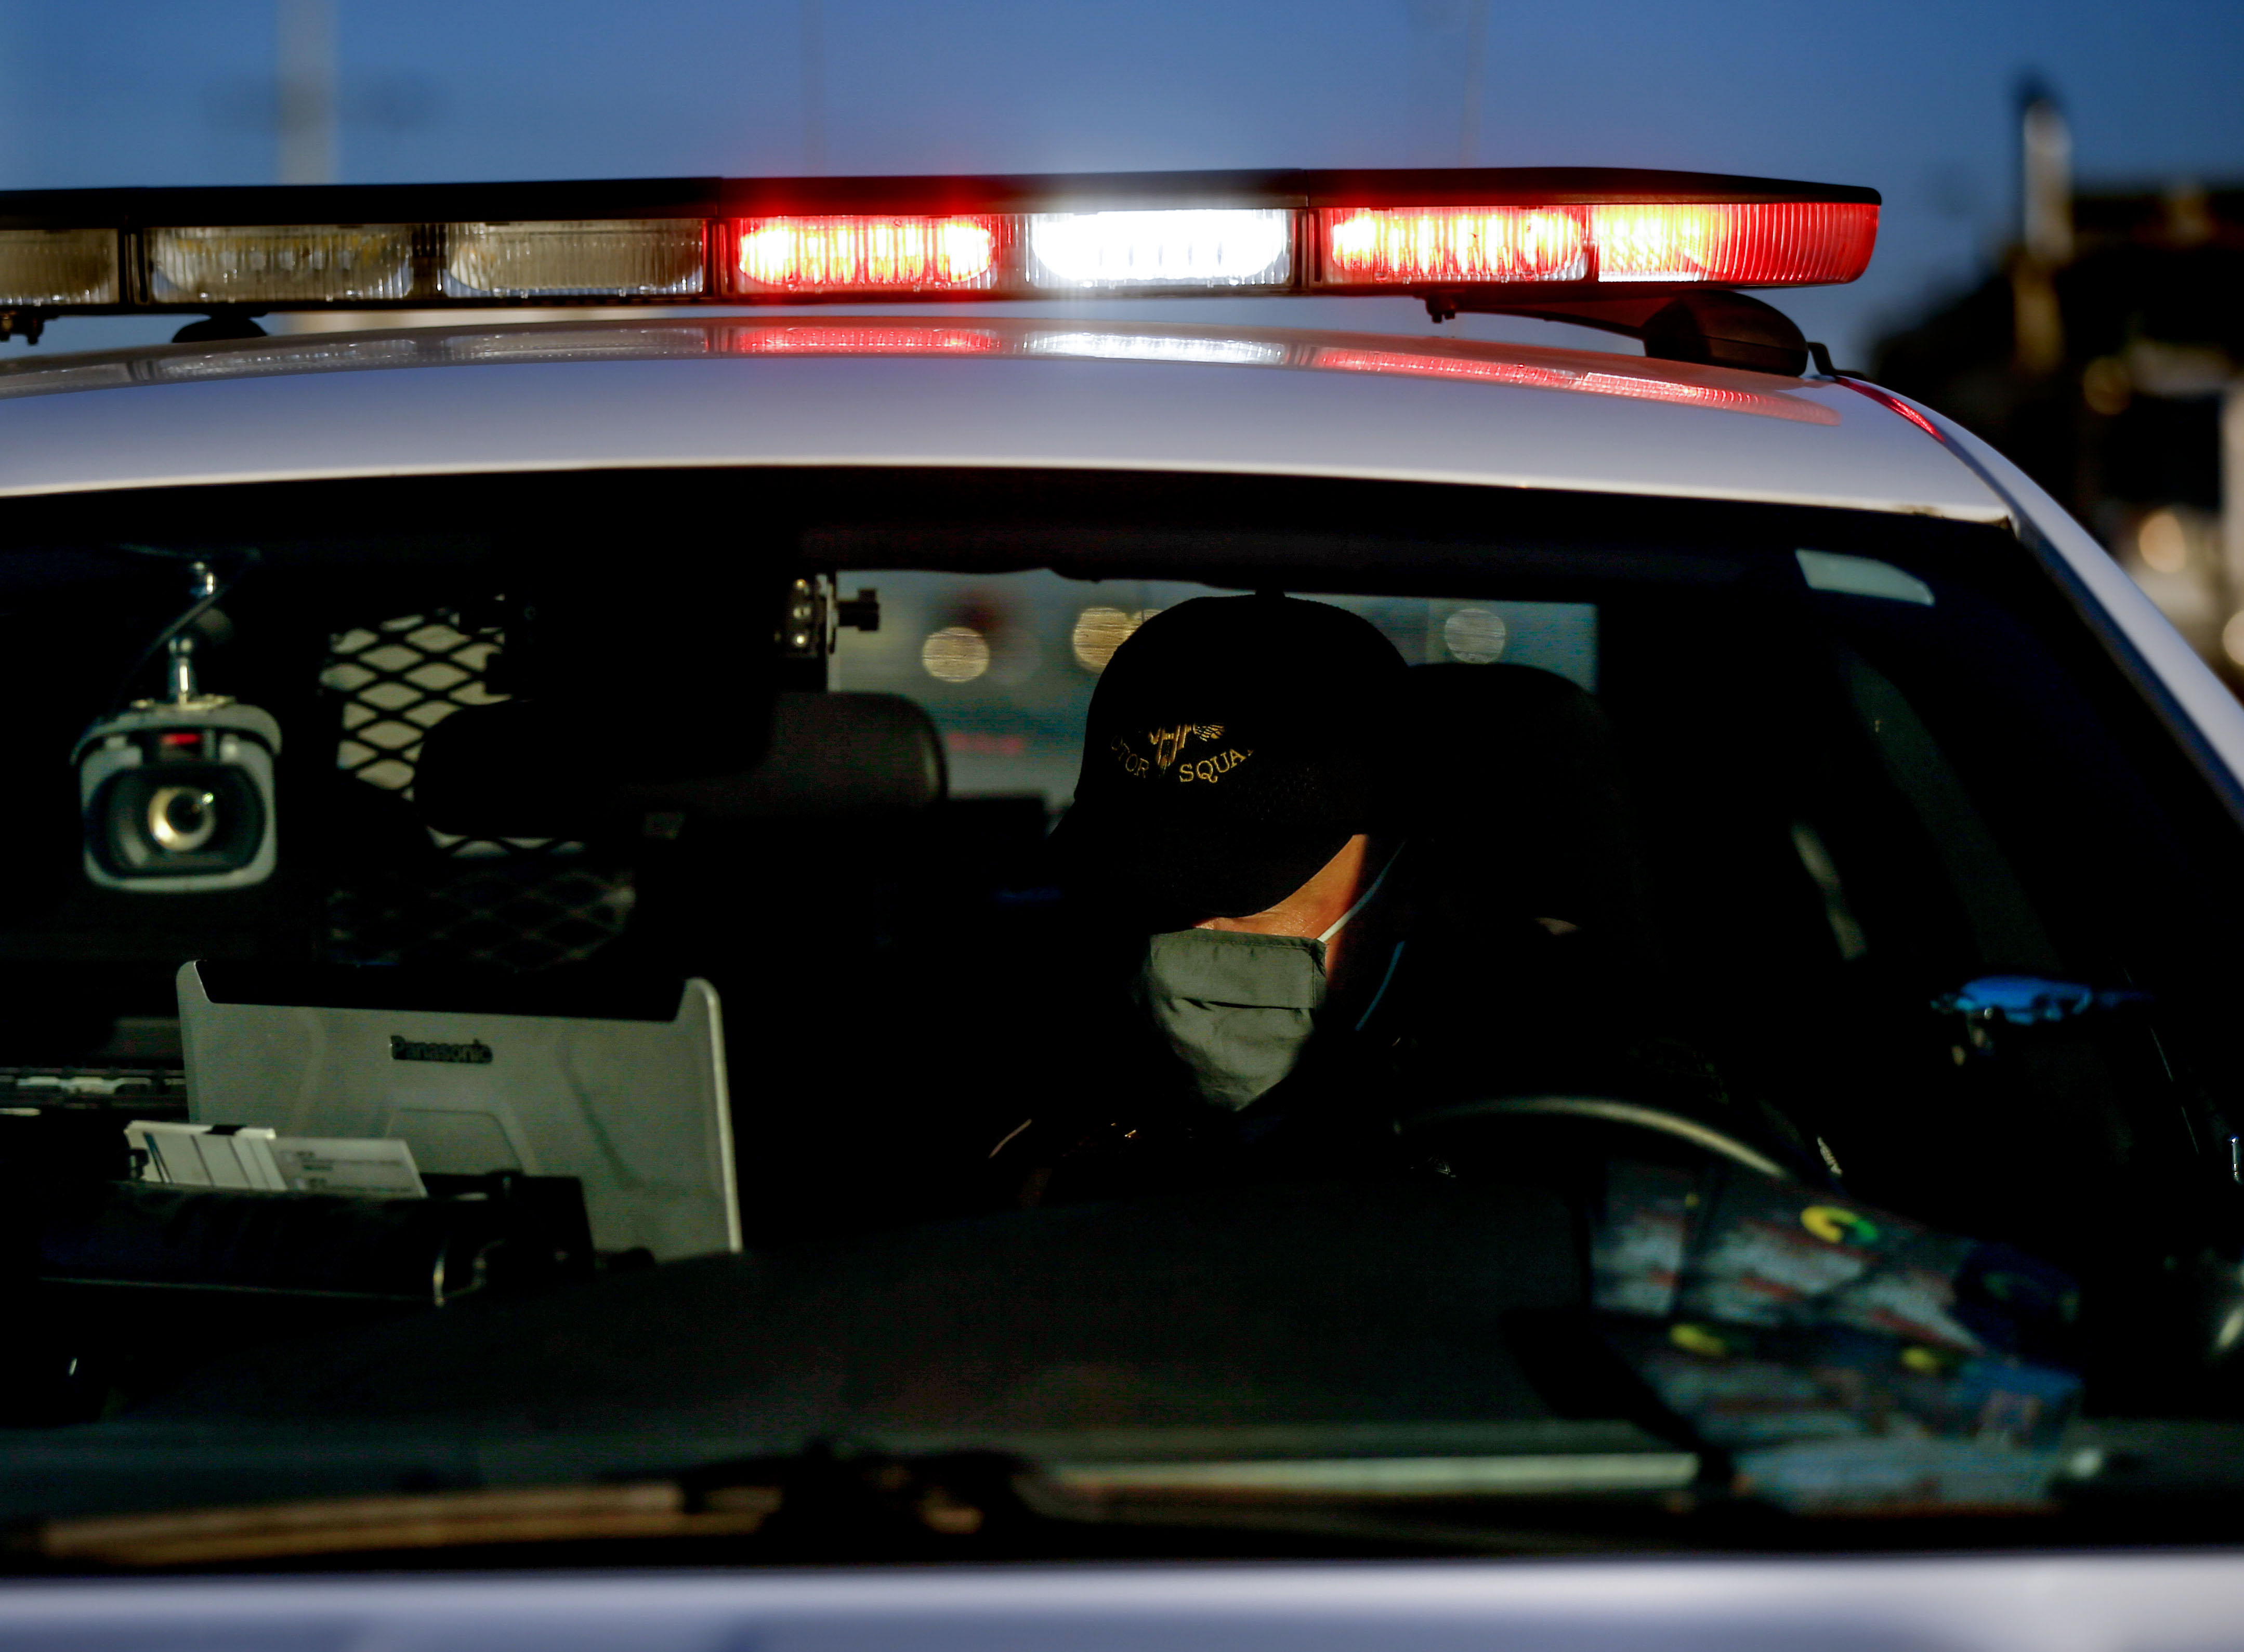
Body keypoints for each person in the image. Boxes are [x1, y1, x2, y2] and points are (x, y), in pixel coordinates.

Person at [990, 593, 1770, 1207]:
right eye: (1138, 883)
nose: (1186, 927)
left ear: (1407, 876)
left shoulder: (1595, 1089)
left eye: (1244, 893)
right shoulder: (1027, 1048)